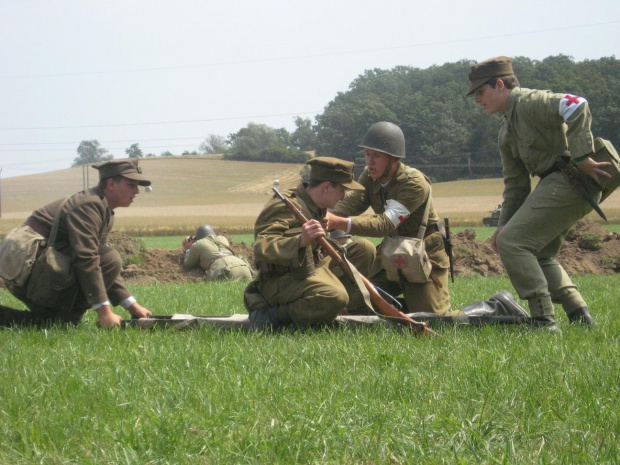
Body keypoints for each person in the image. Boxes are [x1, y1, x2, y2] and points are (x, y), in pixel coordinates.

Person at [467, 56, 611, 330]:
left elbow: (577, 104)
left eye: (481, 92)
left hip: (570, 178)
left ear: (500, 84)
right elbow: (516, 186)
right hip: (558, 183)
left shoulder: (529, 102)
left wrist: (582, 155)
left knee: (514, 243)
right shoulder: (506, 131)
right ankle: (580, 315)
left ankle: (543, 320)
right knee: (540, 252)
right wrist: (503, 225)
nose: (477, 100)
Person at [0, 159, 153, 328]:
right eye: (131, 185)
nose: (137, 191)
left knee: (52, 323)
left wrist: (131, 305)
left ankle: (60, 319)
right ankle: (70, 317)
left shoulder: (102, 208)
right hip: (25, 267)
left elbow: (98, 263)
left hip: (33, 267)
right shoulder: (90, 205)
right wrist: (104, 312)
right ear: (111, 184)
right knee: (110, 258)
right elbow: (87, 258)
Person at [326, 122, 451, 315]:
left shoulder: (414, 183)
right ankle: (398, 308)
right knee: (358, 303)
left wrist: (338, 222)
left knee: (434, 318)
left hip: (424, 253)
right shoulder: (369, 176)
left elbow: (384, 224)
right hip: (392, 250)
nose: (370, 161)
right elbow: (351, 205)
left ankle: (494, 306)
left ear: (393, 159)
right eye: (367, 154)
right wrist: (321, 214)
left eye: (377, 156)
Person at [244, 157, 376, 328]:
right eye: (342, 190)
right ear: (326, 187)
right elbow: (263, 246)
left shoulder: (315, 204)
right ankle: (273, 315)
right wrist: (300, 241)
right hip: (281, 279)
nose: (343, 197)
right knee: (335, 296)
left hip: (311, 267)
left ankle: (334, 310)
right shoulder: (285, 205)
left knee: (364, 249)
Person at [182, 224, 254, 281]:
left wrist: (188, 249)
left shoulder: (197, 244)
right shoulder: (223, 238)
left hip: (223, 270)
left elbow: (188, 264)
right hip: (243, 266)